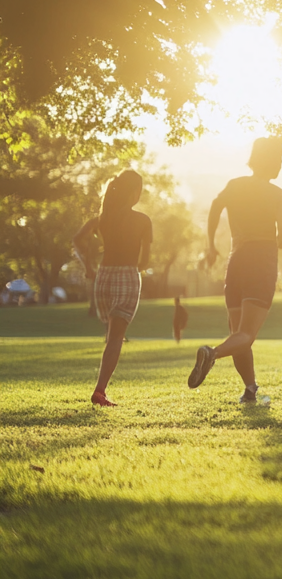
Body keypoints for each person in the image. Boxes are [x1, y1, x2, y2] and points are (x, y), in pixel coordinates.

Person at [187, 137, 282, 403]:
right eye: (279, 159)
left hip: (236, 261)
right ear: (270, 162)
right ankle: (211, 354)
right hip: (261, 261)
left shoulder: (235, 186)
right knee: (246, 335)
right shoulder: (279, 195)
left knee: (239, 334)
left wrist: (211, 245)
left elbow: (214, 207)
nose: (281, 164)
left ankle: (250, 389)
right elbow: (281, 239)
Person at [73, 169, 152, 406]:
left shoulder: (103, 219)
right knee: (117, 337)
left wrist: (88, 265)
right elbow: (145, 262)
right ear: (135, 192)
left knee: (112, 335)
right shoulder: (142, 221)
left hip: (103, 278)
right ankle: (100, 391)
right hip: (127, 275)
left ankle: (101, 389)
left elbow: (78, 239)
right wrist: (135, 269)